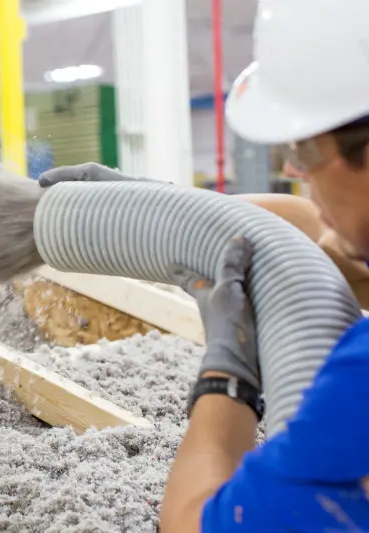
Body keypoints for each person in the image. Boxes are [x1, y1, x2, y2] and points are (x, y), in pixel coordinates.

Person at [38, 1, 369, 530]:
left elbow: (193, 522)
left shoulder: (359, 384)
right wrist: (161, 207)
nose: (290, 168)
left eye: (305, 151)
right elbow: (313, 231)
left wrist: (227, 380)